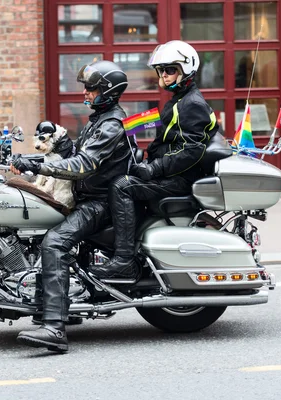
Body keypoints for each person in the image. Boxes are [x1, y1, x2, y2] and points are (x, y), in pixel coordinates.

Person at [10, 60, 134, 352]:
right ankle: (56, 301)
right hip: (87, 196)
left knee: (54, 243)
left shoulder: (112, 125)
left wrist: (36, 167)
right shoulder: (99, 120)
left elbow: (84, 164)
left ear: (108, 91)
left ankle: (54, 327)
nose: (86, 93)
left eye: (91, 88)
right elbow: (76, 155)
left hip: (99, 202)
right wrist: (47, 151)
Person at [94, 40, 220, 280]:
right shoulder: (180, 100)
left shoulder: (192, 104)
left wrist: (153, 169)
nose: (164, 75)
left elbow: (191, 151)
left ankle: (123, 260)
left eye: (171, 70)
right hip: (172, 174)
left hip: (180, 179)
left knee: (121, 187)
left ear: (186, 69)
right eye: (161, 70)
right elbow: (169, 142)